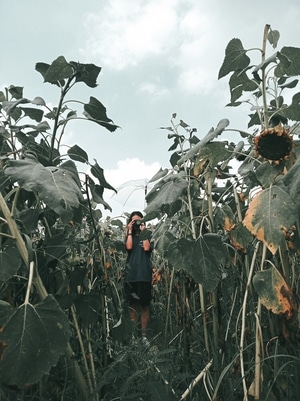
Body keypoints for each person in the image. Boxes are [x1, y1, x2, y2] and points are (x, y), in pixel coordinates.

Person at [124, 211, 154, 344]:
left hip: (144, 275)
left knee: (145, 306)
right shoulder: (128, 236)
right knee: (132, 306)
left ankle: (143, 337)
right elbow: (129, 247)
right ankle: (132, 337)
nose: (136, 223)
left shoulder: (147, 236)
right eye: (134, 221)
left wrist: (144, 232)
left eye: (139, 221)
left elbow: (147, 248)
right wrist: (129, 231)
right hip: (131, 276)